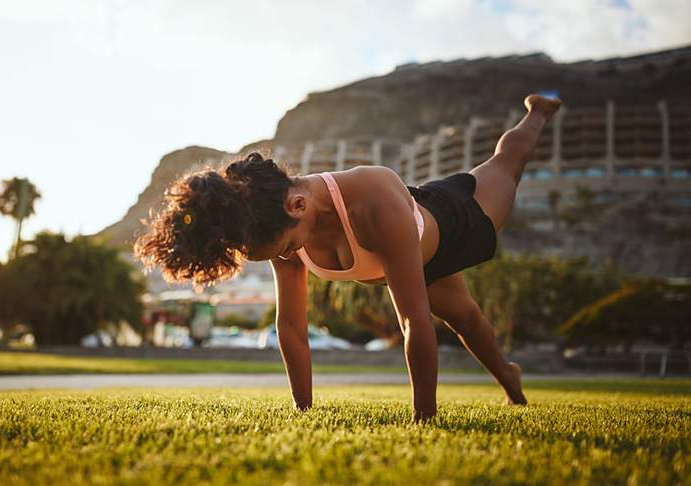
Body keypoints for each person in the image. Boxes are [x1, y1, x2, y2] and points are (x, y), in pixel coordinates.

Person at [135, 94, 562, 422]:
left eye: (285, 249)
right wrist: (304, 410)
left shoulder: (371, 198)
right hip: (412, 252)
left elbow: (413, 320)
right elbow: (292, 329)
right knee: (467, 319)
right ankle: (512, 380)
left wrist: (424, 419)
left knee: (506, 164)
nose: (287, 257)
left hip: (456, 221)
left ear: (297, 206)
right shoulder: (274, 224)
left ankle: (538, 112)